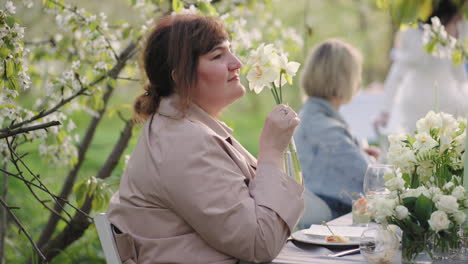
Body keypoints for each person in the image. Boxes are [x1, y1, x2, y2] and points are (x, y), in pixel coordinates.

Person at [106, 14, 304, 264]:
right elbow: (259, 243)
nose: (237, 63)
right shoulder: (185, 143)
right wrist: (272, 152)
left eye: (230, 51)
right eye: (217, 56)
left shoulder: (180, 128)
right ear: (179, 77)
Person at [294, 39, 379, 220]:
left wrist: (360, 152)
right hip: (334, 222)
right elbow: (372, 179)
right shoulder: (326, 129)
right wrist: (373, 161)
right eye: (357, 74)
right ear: (346, 78)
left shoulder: (313, 117)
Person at [375, 0, 468, 133]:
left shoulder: (452, 40)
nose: (459, 25)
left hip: (448, 104)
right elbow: (397, 74)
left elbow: (459, 74)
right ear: (444, 18)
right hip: (416, 107)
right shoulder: (414, 35)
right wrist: (385, 110)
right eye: (454, 21)